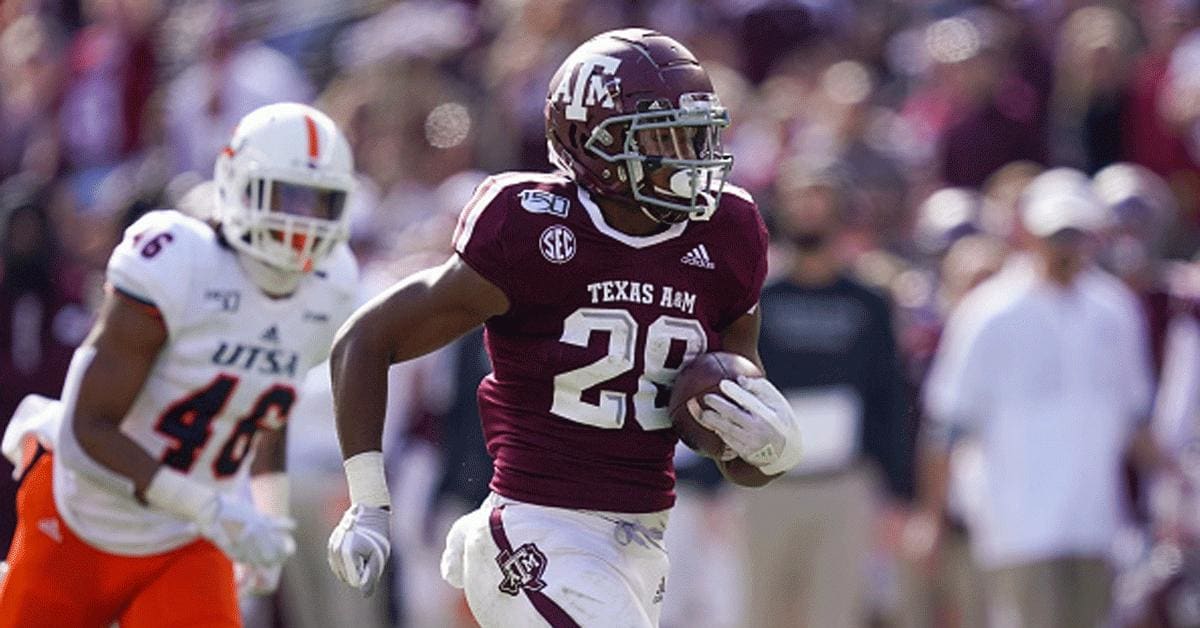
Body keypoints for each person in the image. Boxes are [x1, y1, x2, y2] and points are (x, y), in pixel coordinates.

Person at [325, 28, 805, 627]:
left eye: (695, 134)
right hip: (536, 529)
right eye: (660, 137)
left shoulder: (728, 231)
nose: (686, 157)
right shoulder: (530, 227)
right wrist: (367, 502)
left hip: (644, 540)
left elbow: (726, 436)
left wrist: (769, 448)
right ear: (588, 142)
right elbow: (363, 340)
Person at [0, 102, 359, 626]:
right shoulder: (179, 261)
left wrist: (269, 514)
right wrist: (211, 508)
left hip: (184, 542)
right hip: (82, 517)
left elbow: (263, 407)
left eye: (320, 203)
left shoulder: (331, 287)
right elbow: (85, 432)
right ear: (238, 184)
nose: (302, 223)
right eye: (290, 196)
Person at [918, 168, 1169, 628]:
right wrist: (933, 519)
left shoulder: (1114, 311)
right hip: (1016, 524)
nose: (1066, 247)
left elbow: (1135, 418)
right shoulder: (989, 313)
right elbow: (947, 423)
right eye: (1057, 234)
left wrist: (1173, 490)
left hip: (1096, 521)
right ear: (1030, 234)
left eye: (1075, 234)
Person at [741, 164, 913, 628]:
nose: (811, 213)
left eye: (821, 202)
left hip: (843, 485)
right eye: (801, 201)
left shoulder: (868, 303)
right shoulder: (759, 298)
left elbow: (890, 396)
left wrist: (898, 492)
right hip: (765, 488)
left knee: (836, 615)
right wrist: (717, 483)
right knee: (759, 615)